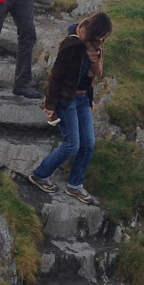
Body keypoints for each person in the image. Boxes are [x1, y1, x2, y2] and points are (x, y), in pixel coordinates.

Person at [28, 12, 112, 204]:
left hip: (83, 100)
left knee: (88, 143)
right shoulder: (72, 45)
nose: (104, 39)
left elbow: (88, 78)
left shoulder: (95, 49)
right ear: (93, 31)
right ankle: (40, 175)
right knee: (72, 144)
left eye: (106, 36)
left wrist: (89, 98)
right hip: (67, 100)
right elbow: (56, 76)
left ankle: (75, 185)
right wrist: (50, 105)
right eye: (102, 35)